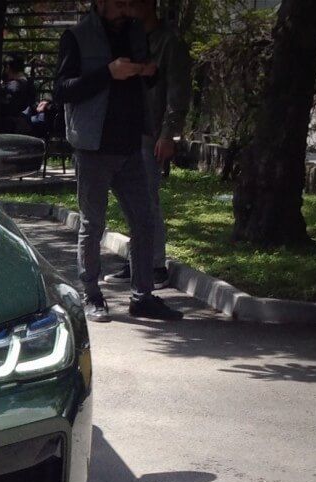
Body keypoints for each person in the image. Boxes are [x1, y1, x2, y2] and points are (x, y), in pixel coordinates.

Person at [54, 0, 182, 322]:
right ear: (100, 3)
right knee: (92, 224)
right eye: (119, 2)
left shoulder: (135, 33)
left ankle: (142, 296)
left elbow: (147, 82)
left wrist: (148, 72)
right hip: (93, 148)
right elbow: (63, 90)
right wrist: (108, 73)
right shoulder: (77, 36)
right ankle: (92, 295)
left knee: (144, 220)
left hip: (131, 146)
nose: (126, 8)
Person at [105, 0, 192, 289]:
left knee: (147, 201)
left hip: (150, 132)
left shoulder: (169, 43)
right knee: (131, 201)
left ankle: (155, 265)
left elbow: (177, 94)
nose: (127, 7)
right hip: (125, 131)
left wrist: (168, 134)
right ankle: (138, 261)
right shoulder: (129, 39)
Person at [0, 56, 36, 135]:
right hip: (24, 125)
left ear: (8, 67)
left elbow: (6, 107)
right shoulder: (29, 83)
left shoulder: (13, 86)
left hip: (9, 128)